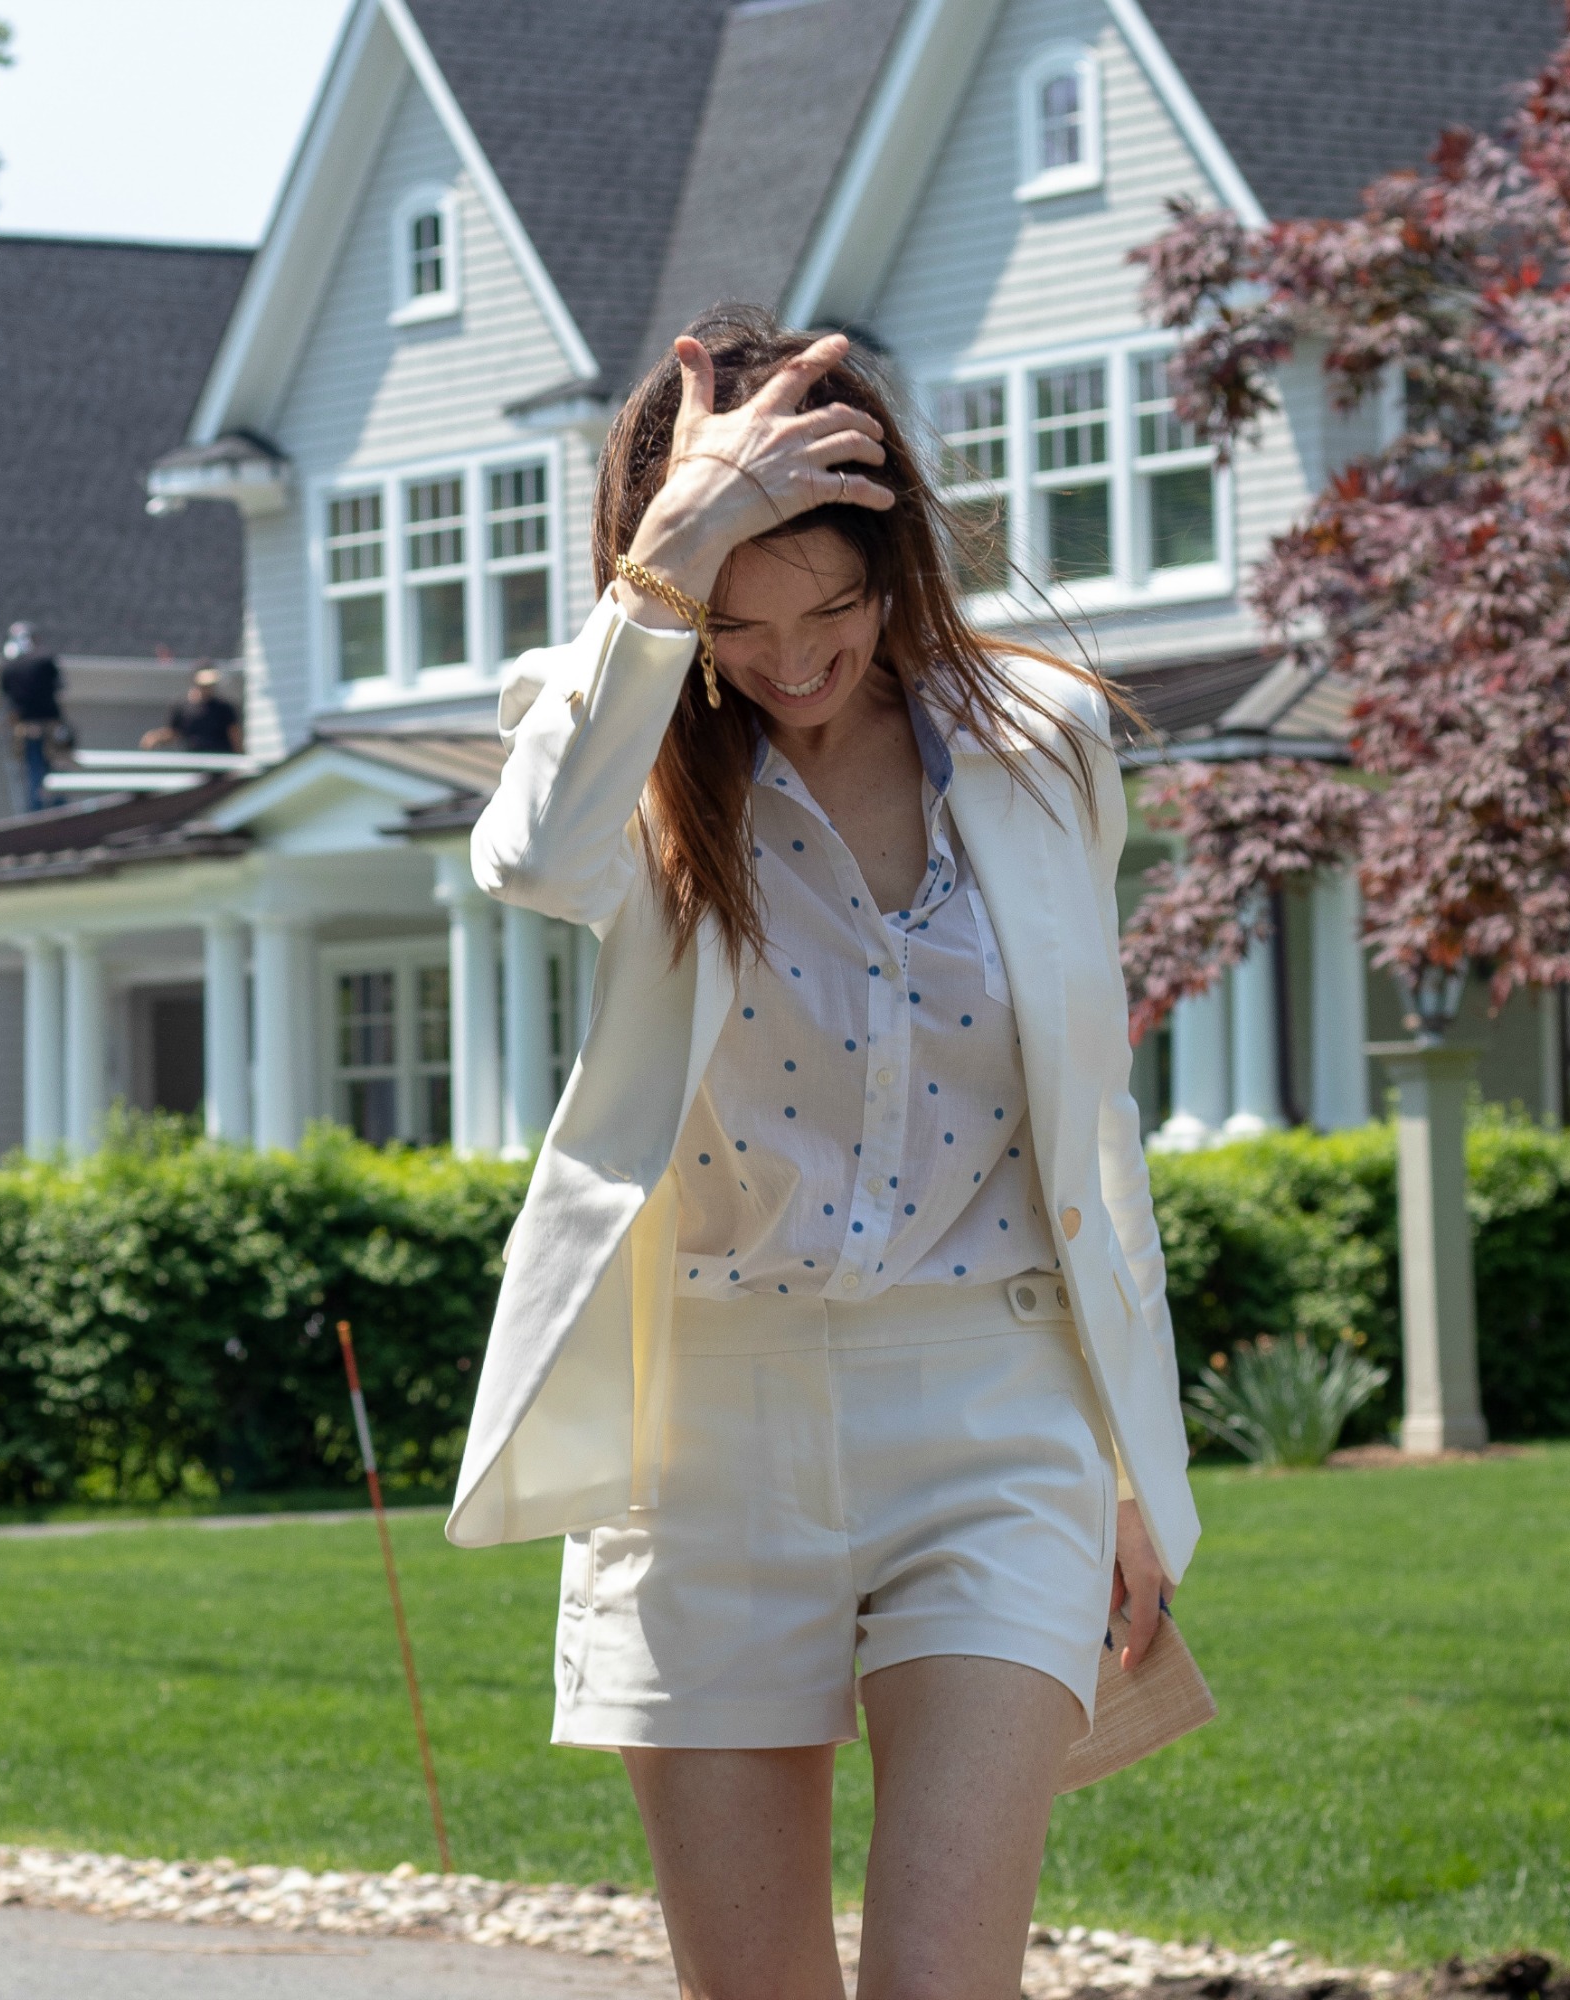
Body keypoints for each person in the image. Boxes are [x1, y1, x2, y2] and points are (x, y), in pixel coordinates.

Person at [449, 307, 1198, 2000]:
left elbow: (1089, 1118)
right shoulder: (614, 742)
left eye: (836, 609)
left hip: (992, 1415)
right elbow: (529, 856)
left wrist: (1123, 1460)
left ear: (901, 568)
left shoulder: (1041, 744)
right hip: (705, 1431)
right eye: (744, 617)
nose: (794, 661)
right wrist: (664, 570)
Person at [0, 622, 68, 812]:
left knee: (33, 773)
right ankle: (57, 812)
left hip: (27, 728)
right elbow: (60, 687)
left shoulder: (8, 667)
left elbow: (7, 698)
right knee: (54, 769)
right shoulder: (45, 661)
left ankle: (36, 814)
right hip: (49, 726)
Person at [140, 665, 242, 753]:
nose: (208, 687)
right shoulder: (181, 706)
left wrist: (239, 759)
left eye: (210, 684)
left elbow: (234, 735)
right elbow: (174, 733)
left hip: (220, 765)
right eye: (204, 684)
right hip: (194, 763)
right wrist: (156, 737)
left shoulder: (224, 708)